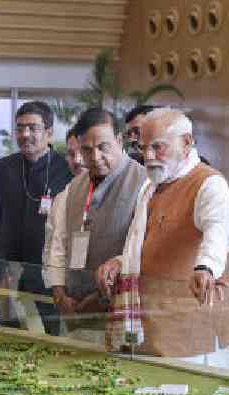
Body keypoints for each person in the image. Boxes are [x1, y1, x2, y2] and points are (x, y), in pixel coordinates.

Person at [97, 108, 229, 365]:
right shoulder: (151, 186)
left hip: (190, 332)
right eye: (143, 148)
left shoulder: (209, 183)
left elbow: (217, 231)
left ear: (186, 143)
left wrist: (206, 268)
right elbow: (147, 241)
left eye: (158, 147)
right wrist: (121, 261)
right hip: (147, 326)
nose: (148, 157)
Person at [45, 109, 149, 342]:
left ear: (119, 141)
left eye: (103, 147)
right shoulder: (74, 187)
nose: (95, 157)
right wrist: (59, 292)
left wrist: (99, 297)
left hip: (118, 312)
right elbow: (58, 244)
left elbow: (143, 250)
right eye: (87, 150)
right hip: (72, 312)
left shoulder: (145, 183)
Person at [0, 101, 72, 334]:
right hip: (10, 270)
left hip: (49, 270)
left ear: (48, 133)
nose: (25, 134)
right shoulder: (0, 169)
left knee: (52, 333)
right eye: (19, 128)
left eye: (32, 128)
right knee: (9, 334)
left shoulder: (66, 170)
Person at [41, 125, 86, 288]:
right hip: (63, 288)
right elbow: (51, 245)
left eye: (83, 152)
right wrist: (55, 288)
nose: (78, 160)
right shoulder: (62, 196)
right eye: (72, 154)